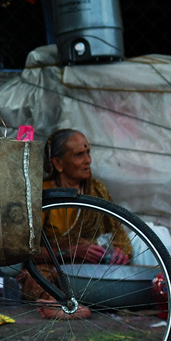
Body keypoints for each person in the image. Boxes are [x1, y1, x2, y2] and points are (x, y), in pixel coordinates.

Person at [18, 128, 133, 319]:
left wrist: (119, 253)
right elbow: (25, 251)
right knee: (35, 278)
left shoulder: (97, 191)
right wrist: (69, 252)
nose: (88, 160)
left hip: (90, 271)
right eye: (80, 155)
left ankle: (76, 301)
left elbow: (118, 234)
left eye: (88, 153)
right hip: (54, 269)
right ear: (58, 163)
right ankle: (52, 302)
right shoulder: (42, 194)